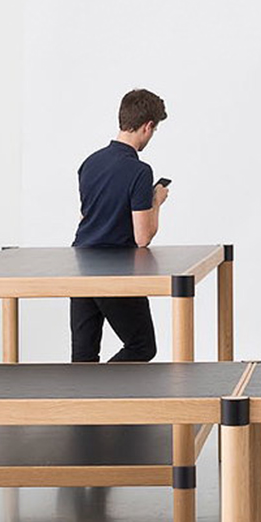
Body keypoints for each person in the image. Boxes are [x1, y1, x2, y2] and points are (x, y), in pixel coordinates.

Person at [70, 88, 171, 362]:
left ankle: (90, 391)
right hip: (116, 269)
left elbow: (86, 216)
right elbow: (142, 237)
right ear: (147, 126)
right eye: (154, 129)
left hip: (80, 265)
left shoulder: (89, 163)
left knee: (83, 358)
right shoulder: (139, 171)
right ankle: (103, 386)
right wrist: (156, 201)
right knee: (142, 346)